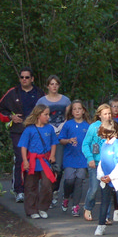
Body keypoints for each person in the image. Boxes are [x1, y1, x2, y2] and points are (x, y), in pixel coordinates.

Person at [0, 67, 43, 203]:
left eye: (27, 77)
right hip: (18, 131)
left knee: (33, 158)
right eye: (22, 77)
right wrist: (11, 117)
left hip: (35, 131)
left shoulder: (39, 94)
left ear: (32, 79)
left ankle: (31, 189)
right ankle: (19, 190)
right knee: (20, 159)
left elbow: (48, 111)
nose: (24, 80)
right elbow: (0, 109)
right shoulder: (13, 92)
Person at [18, 104, 58, 220]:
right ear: (38, 115)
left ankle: (42, 208)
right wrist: (25, 161)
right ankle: (31, 210)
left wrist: (53, 155)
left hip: (44, 160)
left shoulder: (50, 128)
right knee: (30, 185)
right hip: (32, 161)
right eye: (46, 114)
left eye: (48, 114)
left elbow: (54, 143)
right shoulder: (29, 129)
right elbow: (23, 146)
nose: (48, 117)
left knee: (47, 184)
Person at [37, 75, 71, 207]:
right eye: (51, 84)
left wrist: (62, 128)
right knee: (46, 165)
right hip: (46, 135)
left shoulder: (65, 100)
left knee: (58, 165)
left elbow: (68, 117)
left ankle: (55, 190)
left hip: (60, 134)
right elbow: (38, 117)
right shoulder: (41, 101)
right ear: (47, 86)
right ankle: (47, 193)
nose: (54, 86)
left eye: (56, 84)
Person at [59, 100, 90, 216]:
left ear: (83, 111)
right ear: (71, 112)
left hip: (82, 158)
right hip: (69, 158)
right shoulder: (68, 124)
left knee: (79, 182)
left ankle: (75, 206)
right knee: (69, 180)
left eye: (79, 109)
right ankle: (66, 197)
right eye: (74, 109)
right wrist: (68, 140)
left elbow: (91, 141)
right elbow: (61, 140)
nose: (77, 111)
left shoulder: (87, 126)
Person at [81, 103, 112, 222]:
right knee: (94, 188)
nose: (108, 116)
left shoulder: (113, 127)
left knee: (107, 189)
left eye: (109, 113)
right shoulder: (93, 127)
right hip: (95, 162)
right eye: (105, 114)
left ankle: (106, 215)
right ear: (99, 115)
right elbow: (85, 144)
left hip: (108, 163)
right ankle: (88, 207)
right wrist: (90, 158)